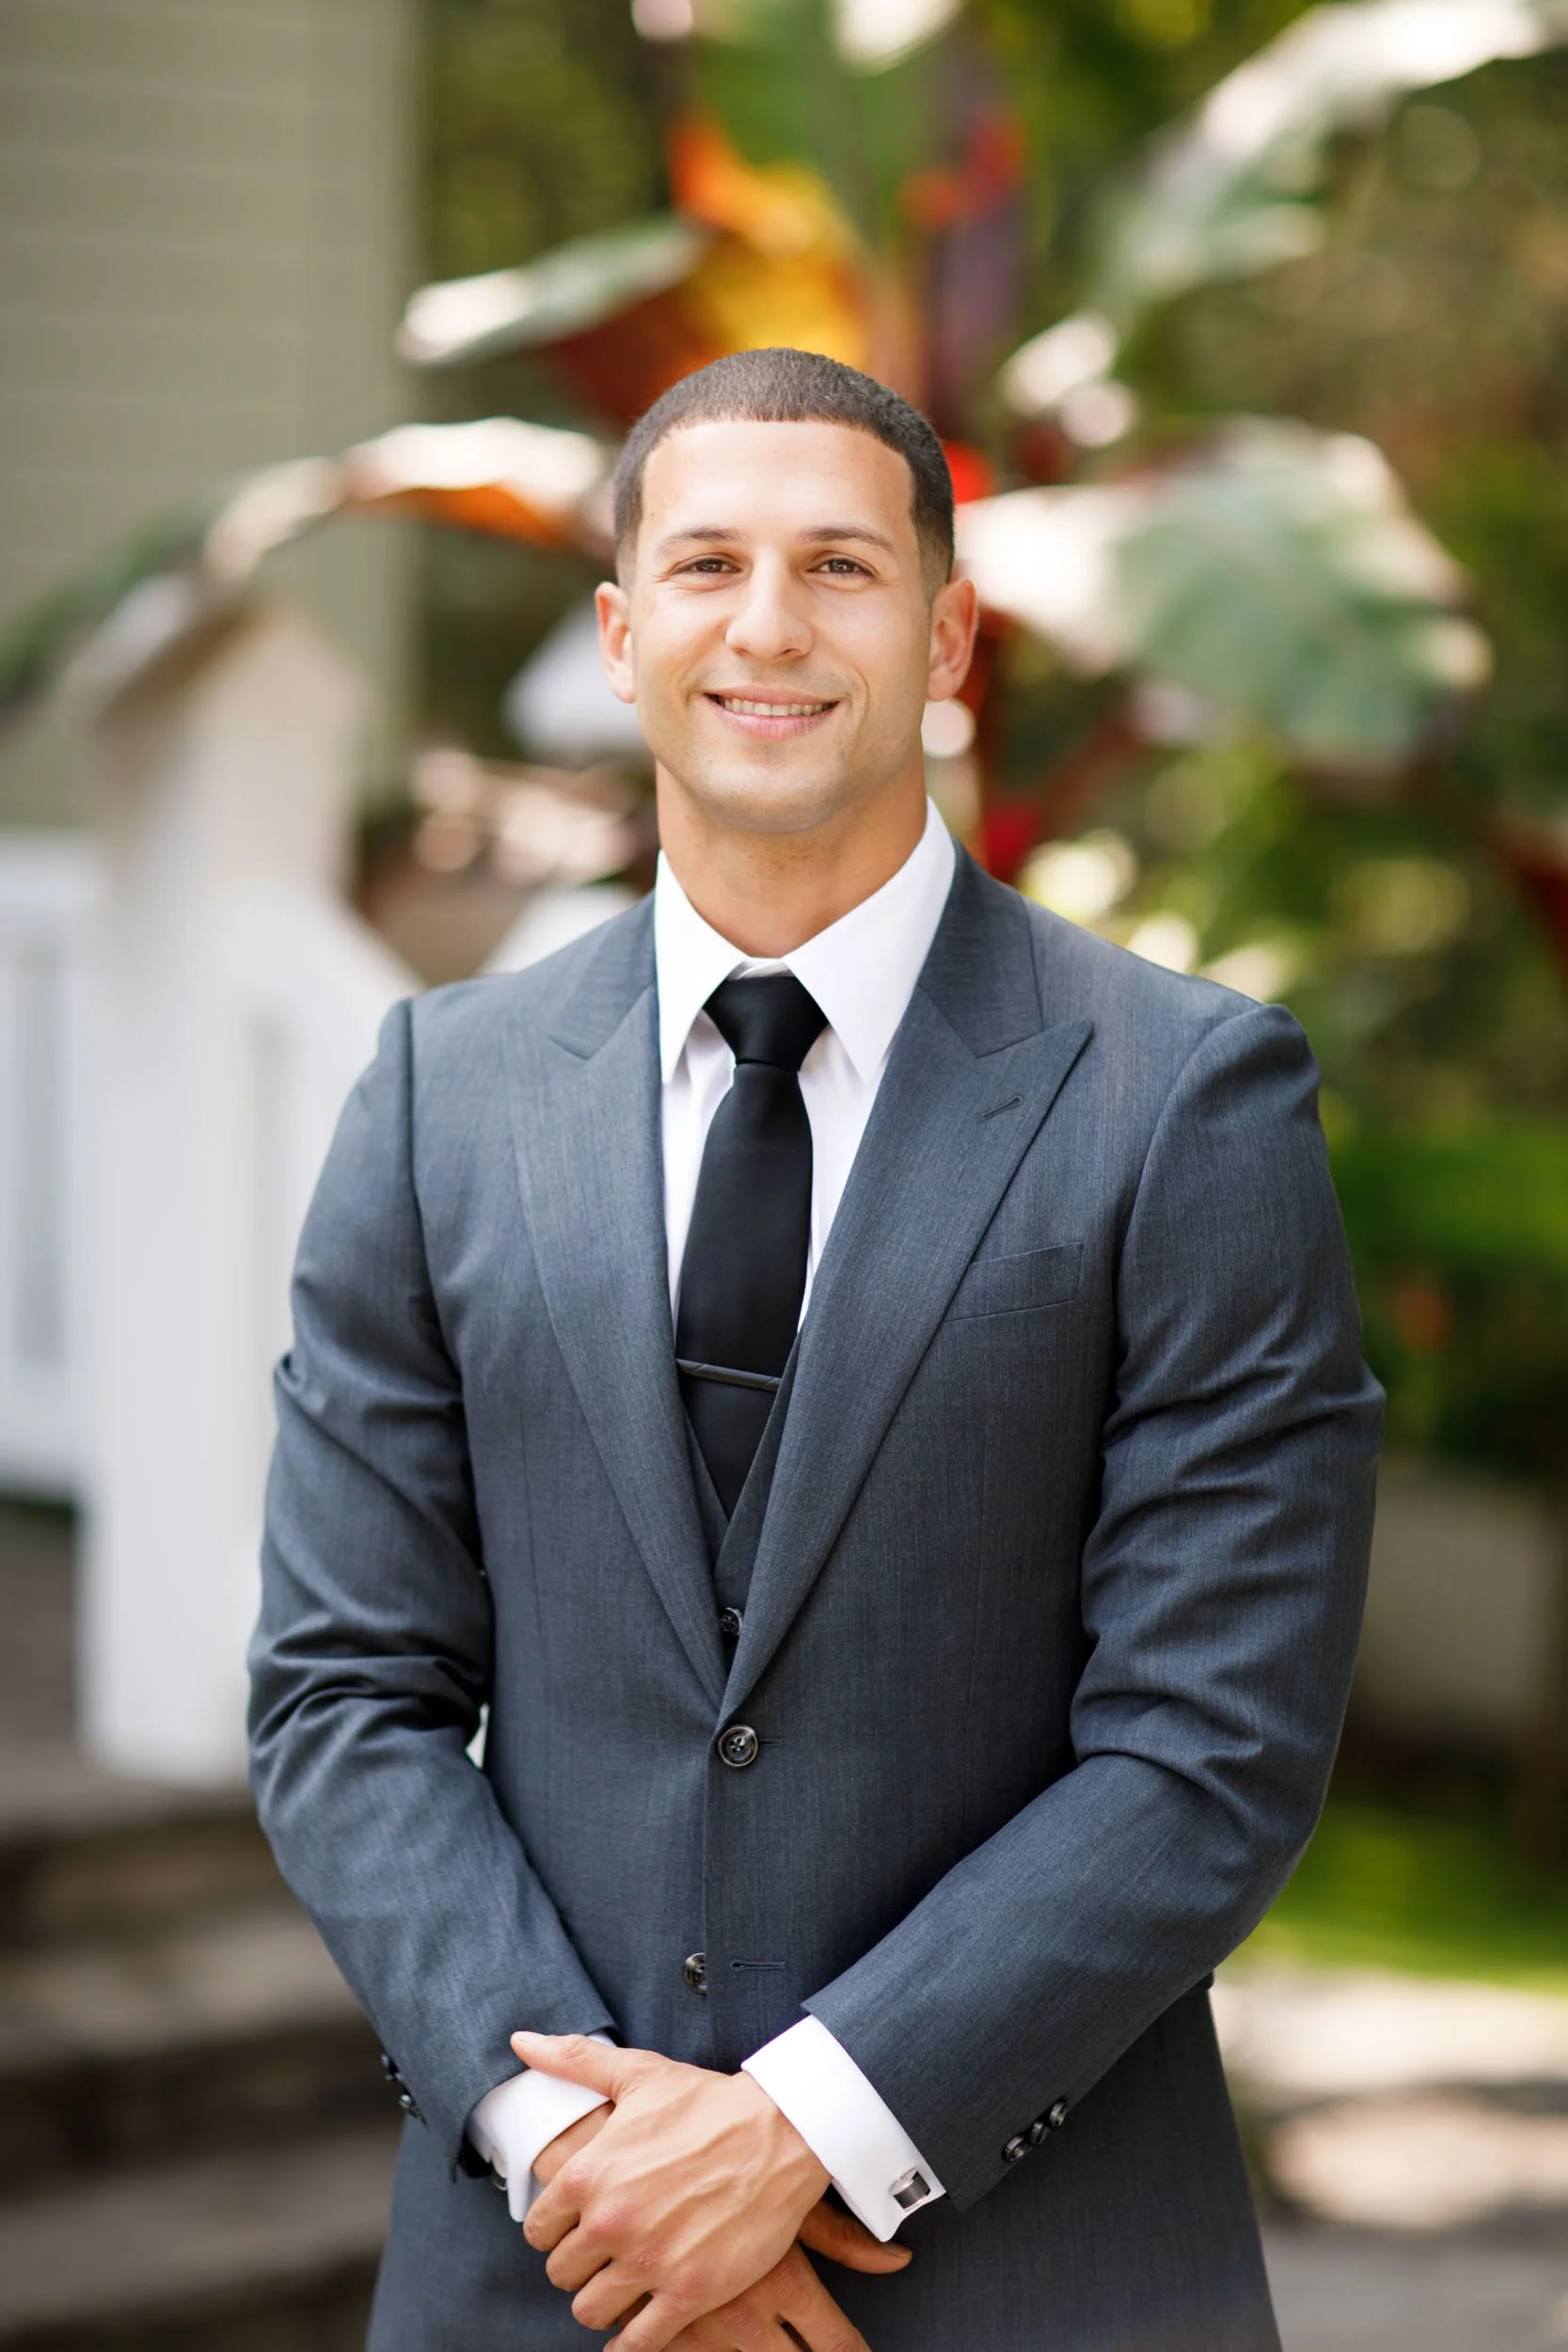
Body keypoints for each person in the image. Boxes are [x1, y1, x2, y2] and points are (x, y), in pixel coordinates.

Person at [249, 346, 1382, 2352]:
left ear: (943, 628)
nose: (765, 624)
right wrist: (580, 2153)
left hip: (1036, 2272)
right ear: (620, 632)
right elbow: (349, 1692)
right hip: (544, 2270)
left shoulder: (1182, 1096)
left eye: (840, 567)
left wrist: (796, 2133)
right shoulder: (439, 1090)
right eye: (703, 565)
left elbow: (1208, 1745)